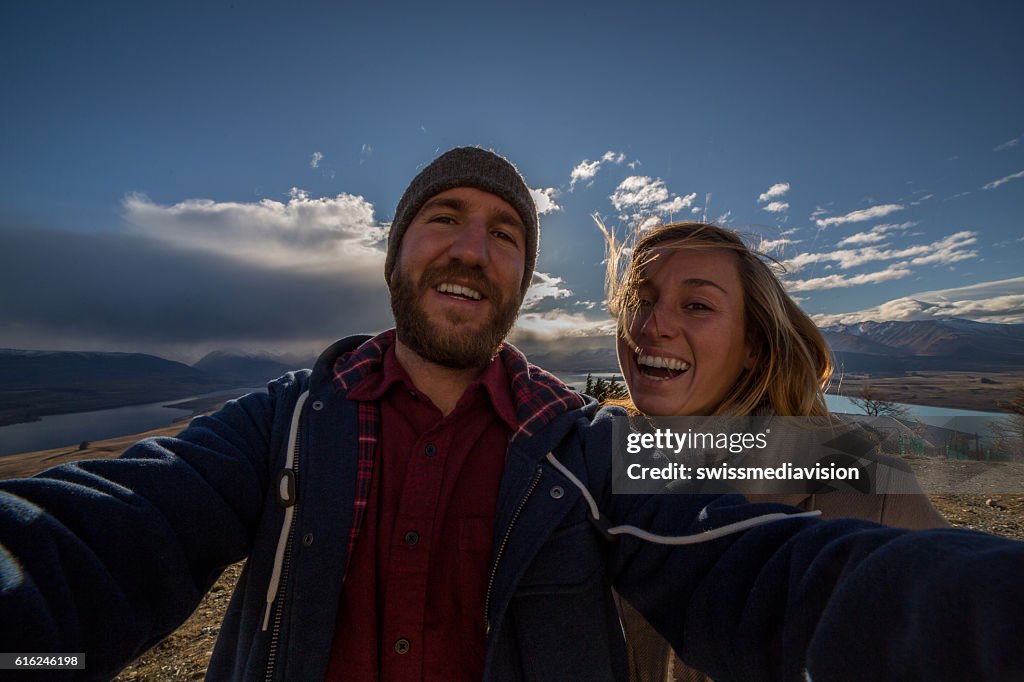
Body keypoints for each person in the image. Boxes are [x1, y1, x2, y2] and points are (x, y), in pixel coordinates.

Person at [1, 147, 1022, 682]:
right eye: (440, 218)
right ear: (393, 252)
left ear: (523, 280)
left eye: (503, 233)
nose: (470, 246)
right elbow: (99, 532)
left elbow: (783, 574)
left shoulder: (586, 447)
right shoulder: (286, 424)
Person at [602, 221, 950, 682]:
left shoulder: (873, 493)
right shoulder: (595, 469)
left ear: (753, 345)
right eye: (641, 301)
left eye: (697, 305)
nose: (652, 325)